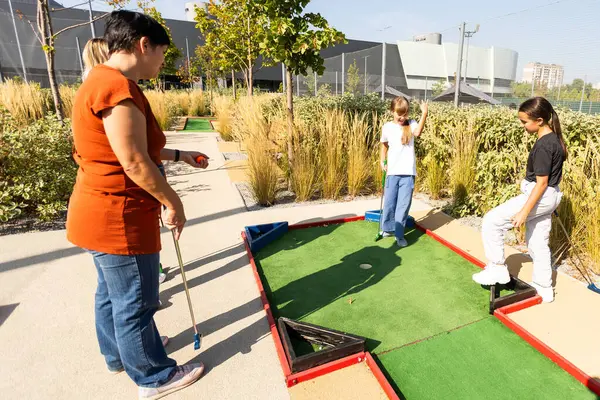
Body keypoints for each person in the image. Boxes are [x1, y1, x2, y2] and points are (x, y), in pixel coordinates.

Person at [66, 10, 209, 399]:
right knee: (136, 301)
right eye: (162, 52)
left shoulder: (98, 80)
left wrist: (179, 154)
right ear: (143, 45)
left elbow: (129, 148)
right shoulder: (118, 89)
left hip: (95, 211)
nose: (163, 61)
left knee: (111, 294)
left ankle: (119, 355)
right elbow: (133, 161)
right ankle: (153, 376)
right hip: (120, 216)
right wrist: (172, 200)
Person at [473, 97, 566, 303]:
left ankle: (497, 268)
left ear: (539, 120)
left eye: (525, 122)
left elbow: (541, 184)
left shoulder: (543, 145)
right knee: (537, 243)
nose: (522, 125)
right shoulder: (555, 139)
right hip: (549, 195)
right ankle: (544, 288)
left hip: (539, 195)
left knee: (491, 221)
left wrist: (524, 211)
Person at [380, 96, 428, 247]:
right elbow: (384, 145)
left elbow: (418, 133)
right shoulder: (387, 127)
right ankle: (387, 229)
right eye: (399, 114)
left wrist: (424, 113)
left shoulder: (411, 124)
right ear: (392, 111)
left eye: (405, 114)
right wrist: (382, 161)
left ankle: (399, 235)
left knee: (403, 205)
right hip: (392, 171)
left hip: (408, 173)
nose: (402, 117)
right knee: (389, 203)